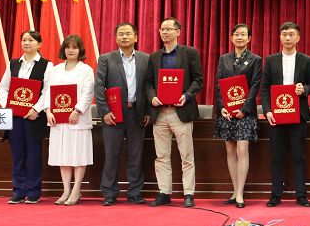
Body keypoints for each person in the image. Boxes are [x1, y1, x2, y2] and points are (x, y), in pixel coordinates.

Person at [145, 17, 204, 208]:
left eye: (168, 29)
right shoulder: (155, 56)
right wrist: (152, 97)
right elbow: (148, 83)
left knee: (186, 155)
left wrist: (187, 95)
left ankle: (188, 193)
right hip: (160, 112)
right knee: (161, 156)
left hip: (181, 111)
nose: (164, 32)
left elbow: (198, 80)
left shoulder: (189, 53)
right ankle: (164, 192)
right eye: (162, 29)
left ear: (178, 32)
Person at [261, 22, 310, 207]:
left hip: (298, 115)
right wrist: (267, 110)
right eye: (284, 34)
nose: (287, 37)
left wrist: (304, 89)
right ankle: (275, 194)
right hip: (276, 116)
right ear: (280, 37)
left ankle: (301, 195)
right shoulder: (271, 60)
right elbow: (265, 88)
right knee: (276, 157)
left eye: (291, 34)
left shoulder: (306, 60)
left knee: (298, 156)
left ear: (298, 38)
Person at [95, 22, 150, 206]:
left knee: (136, 155)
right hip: (113, 113)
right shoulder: (106, 58)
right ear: (116, 38)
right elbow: (99, 86)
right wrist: (104, 111)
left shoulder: (145, 58)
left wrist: (148, 111)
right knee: (112, 155)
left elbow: (149, 86)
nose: (124, 37)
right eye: (121, 34)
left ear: (136, 37)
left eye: (128, 33)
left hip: (137, 113)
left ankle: (135, 192)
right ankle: (109, 193)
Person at [0, 30, 53, 204]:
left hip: (34, 117)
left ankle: (34, 192)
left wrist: (36, 109)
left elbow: (48, 90)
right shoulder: (13, 64)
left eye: (31, 40)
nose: (26, 43)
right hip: (14, 117)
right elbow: (3, 88)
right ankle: (19, 191)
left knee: (34, 155)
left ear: (39, 44)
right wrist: (7, 104)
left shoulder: (47, 65)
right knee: (18, 155)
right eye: (24, 40)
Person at [213, 23, 262, 209]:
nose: (239, 37)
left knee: (242, 149)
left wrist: (244, 108)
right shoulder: (224, 59)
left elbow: (255, 85)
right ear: (231, 38)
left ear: (249, 39)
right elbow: (219, 84)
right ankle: (234, 191)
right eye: (236, 34)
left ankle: (240, 192)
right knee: (230, 150)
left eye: (243, 34)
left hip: (245, 113)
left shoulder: (255, 59)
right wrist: (221, 107)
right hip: (227, 112)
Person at [45, 35, 94, 206]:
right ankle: (66, 190)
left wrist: (77, 110)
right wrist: (48, 110)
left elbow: (88, 93)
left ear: (80, 50)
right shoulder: (55, 69)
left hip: (77, 119)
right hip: (58, 120)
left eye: (74, 47)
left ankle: (76, 190)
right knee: (63, 156)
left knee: (78, 155)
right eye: (67, 47)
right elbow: (47, 92)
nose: (71, 50)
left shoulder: (86, 70)